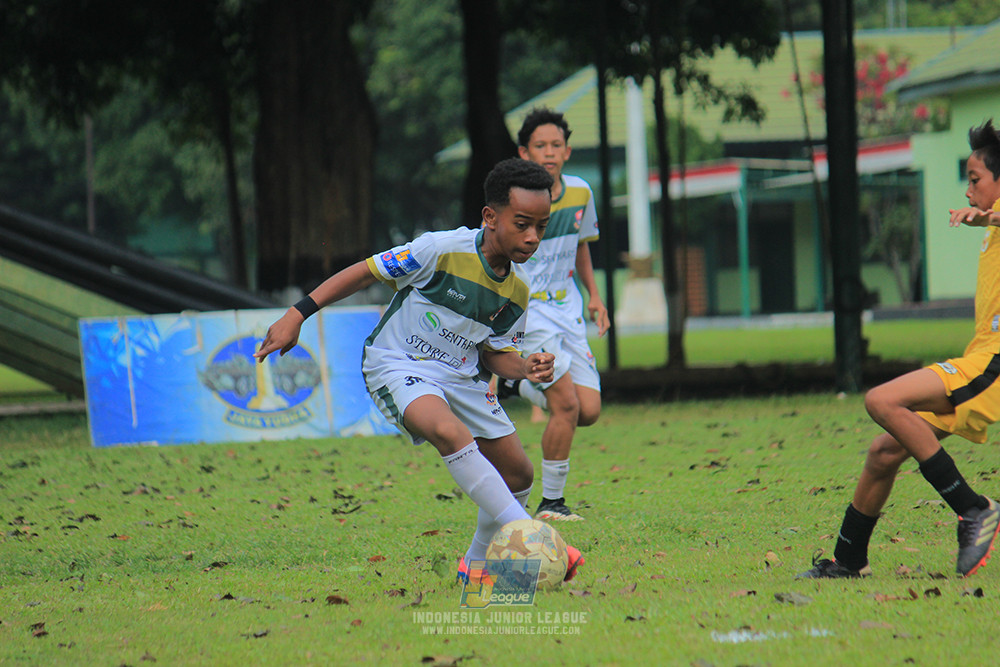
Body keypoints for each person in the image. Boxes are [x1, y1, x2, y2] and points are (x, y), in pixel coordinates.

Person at [254, 158, 584, 583]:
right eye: (522, 223)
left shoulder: (518, 292)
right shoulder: (439, 249)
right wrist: (298, 314)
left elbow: (491, 354)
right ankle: (532, 535)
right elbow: (364, 272)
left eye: (541, 225)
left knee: (519, 472)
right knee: (449, 431)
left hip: (462, 377)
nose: (532, 237)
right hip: (397, 364)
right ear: (490, 216)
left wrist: (524, 366)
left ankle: (476, 566)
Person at [799, 119, 1000, 579]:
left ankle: (973, 508)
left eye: (975, 180)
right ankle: (849, 560)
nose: (968, 191)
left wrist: (988, 215)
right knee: (883, 452)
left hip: (994, 363)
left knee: (881, 399)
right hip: (980, 357)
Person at [494, 107, 610, 522]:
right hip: (530, 315)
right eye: (539, 146)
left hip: (569, 312)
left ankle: (518, 382)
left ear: (567, 151)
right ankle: (552, 504)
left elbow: (582, 246)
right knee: (566, 406)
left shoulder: (580, 192)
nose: (548, 152)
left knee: (589, 410)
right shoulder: (514, 200)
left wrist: (595, 295)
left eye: (555, 145)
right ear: (524, 152)